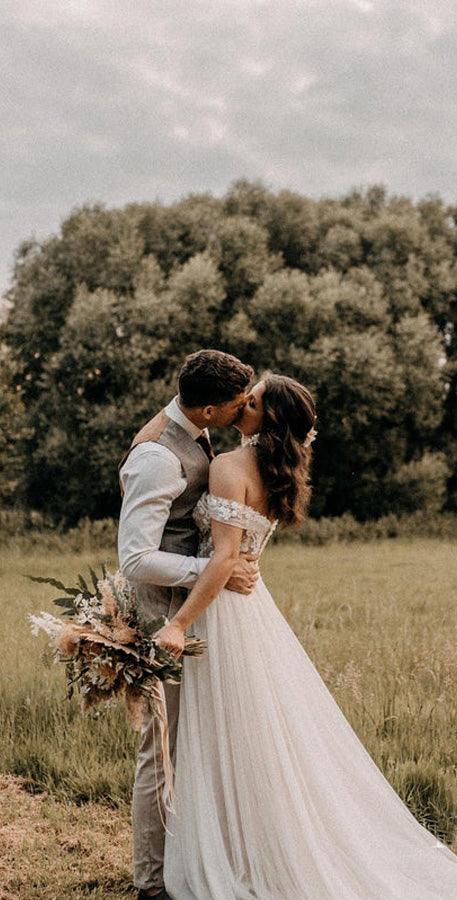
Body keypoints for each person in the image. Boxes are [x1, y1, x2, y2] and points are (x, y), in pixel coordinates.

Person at [154, 373, 457, 900]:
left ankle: (239, 854)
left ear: (269, 419)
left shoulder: (228, 467)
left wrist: (178, 623)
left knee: (227, 731)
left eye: (253, 401)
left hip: (221, 612)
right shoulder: (274, 473)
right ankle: (250, 843)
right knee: (251, 732)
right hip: (252, 609)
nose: (243, 404)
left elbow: (223, 561)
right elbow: (240, 556)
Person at [118, 349, 260, 900]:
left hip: (193, 610)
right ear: (207, 410)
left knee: (196, 743)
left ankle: (189, 861)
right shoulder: (157, 458)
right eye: (237, 405)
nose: (244, 411)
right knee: (161, 749)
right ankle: (151, 883)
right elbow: (135, 558)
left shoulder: (196, 431)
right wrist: (216, 570)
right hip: (162, 617)